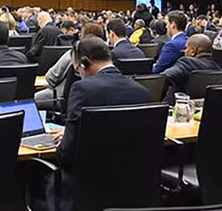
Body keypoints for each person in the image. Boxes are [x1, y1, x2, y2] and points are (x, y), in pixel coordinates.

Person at [55, 37, 151, 172]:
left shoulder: (82, 89)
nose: (80, 75)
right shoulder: (142, 92)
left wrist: (65, 140)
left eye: (78, 70)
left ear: (84, 63)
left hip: (87, 181)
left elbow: (65, 154)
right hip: (132, 179)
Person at [35, 23, 106, 106]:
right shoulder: (108, 56)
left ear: (84, 36)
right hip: (98, 98)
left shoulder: (73, 54)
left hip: (63, 98)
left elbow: (51, 78)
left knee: (31, 100)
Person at [162, 34, 221, 100]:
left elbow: (164, 77)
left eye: (186, 48)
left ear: (192, 51)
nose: (185, 51)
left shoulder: (187, 62)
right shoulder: (217, 68)